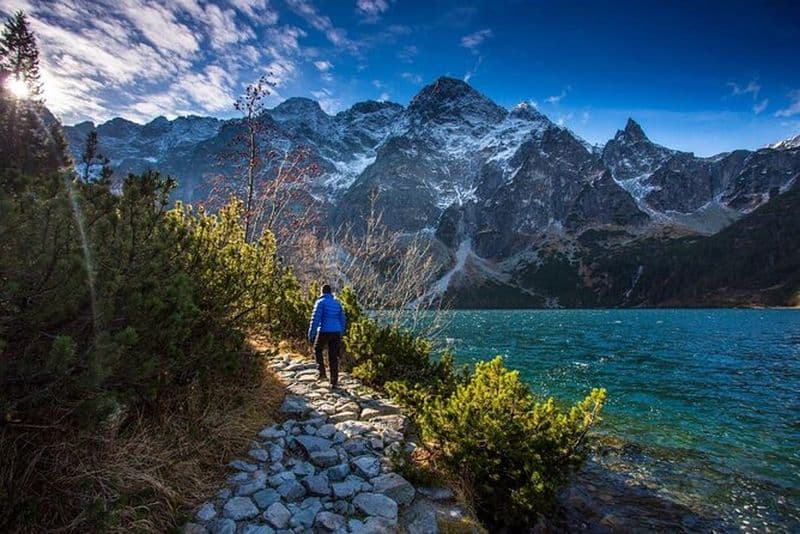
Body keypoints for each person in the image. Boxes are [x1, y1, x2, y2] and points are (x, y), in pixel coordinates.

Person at [307, 284, 346, 387]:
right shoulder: (337, 303)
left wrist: (311, 334)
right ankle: (334, 381)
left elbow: (315, 319)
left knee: (317, 349)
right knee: (333, 356)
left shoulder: (320, 302)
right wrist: (340, 332)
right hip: (336, 332)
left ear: (322, 292)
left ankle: (322, 373)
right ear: (330, 292)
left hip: (324, 330)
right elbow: (342, 319)